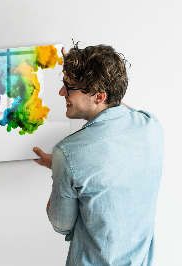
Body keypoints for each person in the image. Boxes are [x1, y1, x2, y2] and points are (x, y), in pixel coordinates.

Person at [33, 43, 164, 265]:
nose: (61, 92)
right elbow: (117, 106)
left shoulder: (68, 153)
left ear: (99, 96)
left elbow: (61, 225)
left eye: (69, 87)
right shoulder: (151, 125)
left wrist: (60, 168)